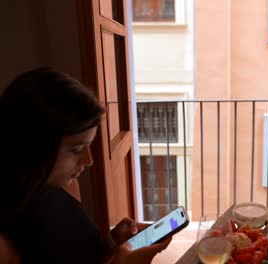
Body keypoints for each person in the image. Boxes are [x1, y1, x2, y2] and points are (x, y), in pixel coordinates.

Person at [0, 68, 172, 263]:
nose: (88, 160)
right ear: (33, 145)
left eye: (89, 146)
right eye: (76, 149)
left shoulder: (65, 187)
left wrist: (112, 242)